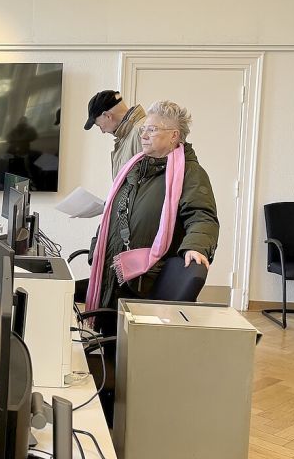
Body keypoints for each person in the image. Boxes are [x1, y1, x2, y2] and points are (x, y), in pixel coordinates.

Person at [86, 100, 219, 331]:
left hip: (146, 282)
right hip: (116, 275)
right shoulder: (136, 168)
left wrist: (196, 246)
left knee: (127, 352)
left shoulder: (190, 173)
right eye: (143, 129)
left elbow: (202, 216)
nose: (144, 135)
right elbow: (115, 212)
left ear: (174, 136)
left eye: (152, 129)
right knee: (110, 347)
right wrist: (96, 249)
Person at [84, 90, 147, 178]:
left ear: (107, 115)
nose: (103, 131)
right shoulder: (127, 137)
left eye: (99, 125)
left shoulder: (142, 133)